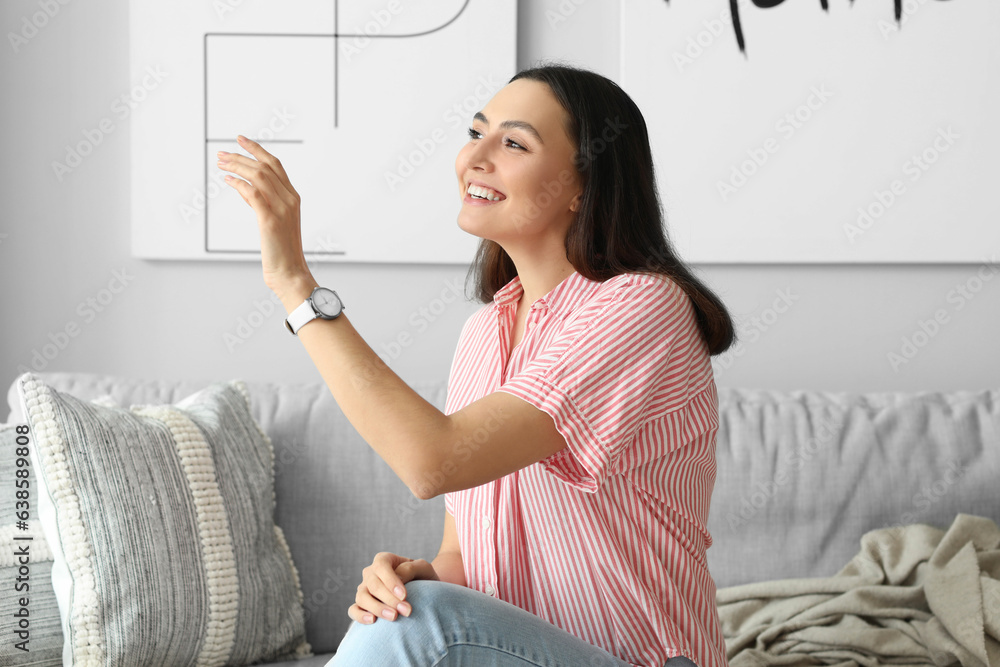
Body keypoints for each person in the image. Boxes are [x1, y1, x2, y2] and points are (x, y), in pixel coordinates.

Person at [218, 61, 736, 667]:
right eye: (475, 133)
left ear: (582, 185)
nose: (475, 158)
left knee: (418, 630)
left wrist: (295, 285)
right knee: (405, 614)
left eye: (513, 142)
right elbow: (462, 555)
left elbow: (431, 462)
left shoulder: (641, 307)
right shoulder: (484, 335)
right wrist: (418, 579)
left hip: (642, 659)